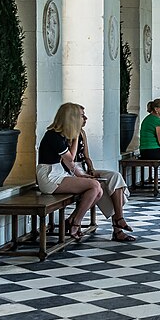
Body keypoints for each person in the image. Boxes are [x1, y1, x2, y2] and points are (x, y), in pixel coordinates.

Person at [36, 103, 102, 241]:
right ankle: (76, 222)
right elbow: (70, 159)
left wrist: (82, 175)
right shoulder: (53, 136)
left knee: (98, 190)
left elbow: (69, 164)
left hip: (58, 173)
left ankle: (71, 219)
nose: (84, 118)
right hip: (49, 177)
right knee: (94, 186)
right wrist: (77, 136)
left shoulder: (61, 135)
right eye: (81, 116)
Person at [75, 107, 137, 242]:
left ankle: (119, 219)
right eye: (82, 116)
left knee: (115, 177)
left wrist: (91, 168)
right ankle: (118, 227)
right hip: (72, 172)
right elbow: (68, 162)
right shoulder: (68, 134)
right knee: (104, 187)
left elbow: (86, 156)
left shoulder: (82, 133)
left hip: (83, 168)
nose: (85, 119)